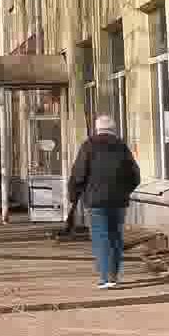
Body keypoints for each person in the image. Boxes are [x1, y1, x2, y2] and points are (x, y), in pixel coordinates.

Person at [66, 115, 142, 290]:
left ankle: (105, 277)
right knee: (115, 236)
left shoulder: (88, 146)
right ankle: (113, 274)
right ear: (113, 130)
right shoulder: (122, 147)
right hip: (118, 201)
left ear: (97, 129)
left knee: (101, 237)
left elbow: (78, 174)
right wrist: (124, 191)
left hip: (95, 201)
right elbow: (135, 176)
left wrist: (73, 195)